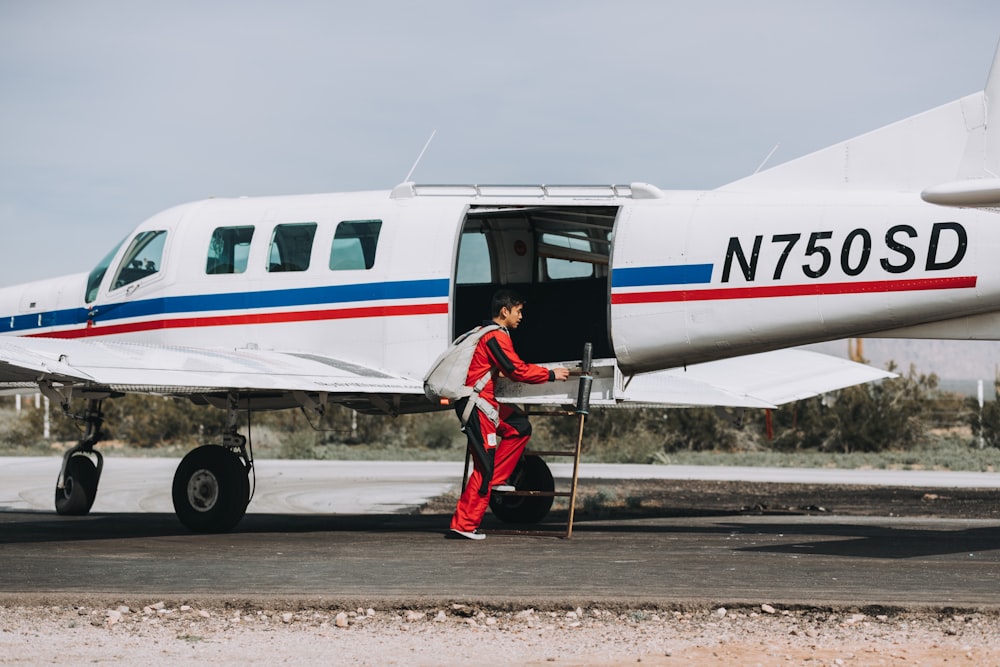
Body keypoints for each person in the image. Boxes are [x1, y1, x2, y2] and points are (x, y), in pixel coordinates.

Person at [449, 289, 569, 540]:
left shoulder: (485, 333)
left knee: (519, 426)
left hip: (484, 403)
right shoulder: (495, 336)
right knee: (484, 466)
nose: (521, 316)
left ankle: (498, 479)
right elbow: (516, 370)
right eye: (518, 311)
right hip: (478, 406)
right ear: (505, 311)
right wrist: (550, 375)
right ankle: (464, 524)